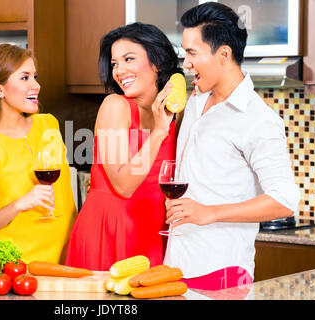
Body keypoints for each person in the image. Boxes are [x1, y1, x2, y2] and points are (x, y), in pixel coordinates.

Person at [163, 2, 300, 291]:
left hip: (222, 275)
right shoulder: (197, 101)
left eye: (192, 53)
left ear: (223, 54)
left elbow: (285, 200)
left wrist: (210, 212)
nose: (185, 63)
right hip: (176, 268)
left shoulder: (257, 119)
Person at [66, 23, 183, 270]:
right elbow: (123, 184)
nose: (119, 70)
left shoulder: (176, 114)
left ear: (158, 62)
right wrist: (159, 132)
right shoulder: (115, 106)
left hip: (155, 230)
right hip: (110, 228)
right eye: (115, 63)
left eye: (129, 59)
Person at [0, 43, 76, 264]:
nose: (36, 85)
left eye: (35, 76)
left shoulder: (49, 124)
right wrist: (22, 203)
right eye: (24, 78)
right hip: (21, 269)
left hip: (71, 258)